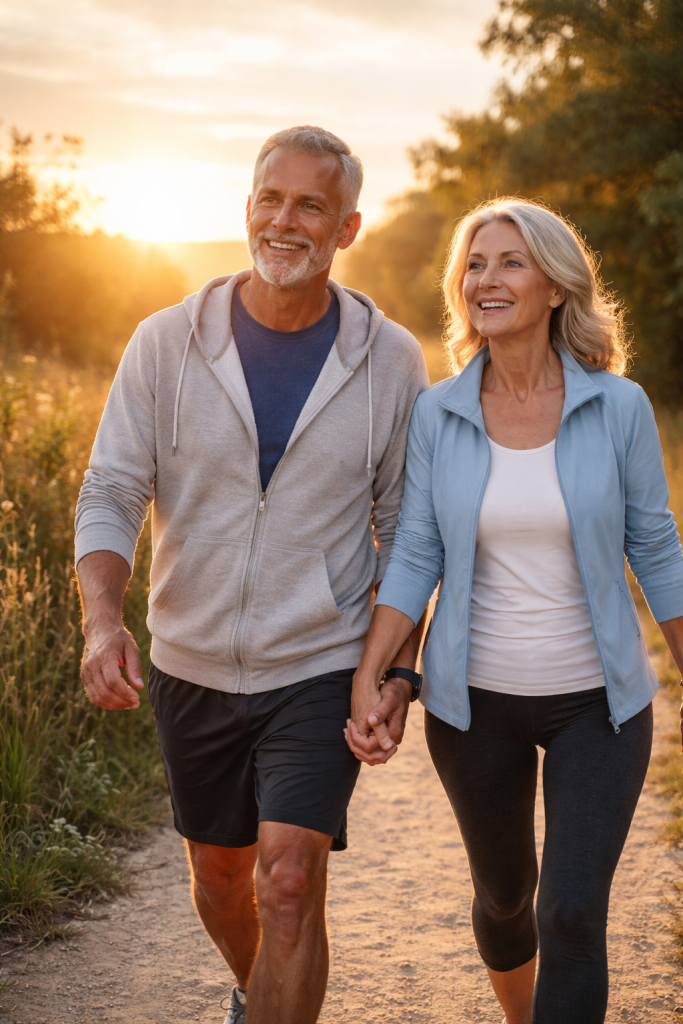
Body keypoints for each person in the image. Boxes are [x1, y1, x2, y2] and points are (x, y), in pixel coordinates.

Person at [75, 125, 428, 1024]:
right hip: (188, 661)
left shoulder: (389, 360)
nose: (285, 221)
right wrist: (103, 622)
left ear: (345, 228)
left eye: (311, 204)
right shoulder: (164, 343)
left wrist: (389, 670)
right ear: (246, 210)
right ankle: (255, 991)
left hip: (314, 661)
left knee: (286, 879)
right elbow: (113, 488)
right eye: (271, 199)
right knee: (223, 877)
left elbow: (408, 532)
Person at [345, 197, 683, 1024]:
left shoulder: (619, 407)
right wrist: (376, 674)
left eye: (508, 262)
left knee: (569, 912)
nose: (484, 279)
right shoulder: (439, 411)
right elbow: (415, 551)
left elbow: (658, 550)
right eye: (473, 263)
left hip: (598, 706)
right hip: (474, 708)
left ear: (556, 286)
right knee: (506, 900)